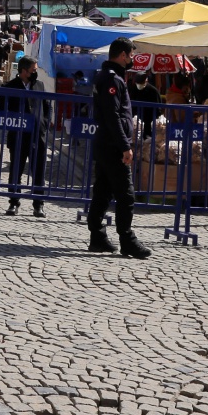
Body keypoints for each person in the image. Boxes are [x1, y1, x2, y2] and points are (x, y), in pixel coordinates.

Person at [86, 38, 151, 259]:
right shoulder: (112, 80)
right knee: (126, 195)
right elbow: (112, 116)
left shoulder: (107, 76)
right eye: (130, 55)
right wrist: (125, 146)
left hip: (105, 142)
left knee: (103, 192)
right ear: (122, 55)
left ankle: (97, 237)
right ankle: (128, 240)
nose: (132, 59)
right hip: (113, 144)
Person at [0, 56, 48, 217]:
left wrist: (44, 123)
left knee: (39, 171)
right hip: (18, 135)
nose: (35, 73)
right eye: (33, 70)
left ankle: (38, 204)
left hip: (37, 135)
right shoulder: (10, 86)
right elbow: (0, 109)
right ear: (23, 71)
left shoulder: (39, 85)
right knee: (16, 170)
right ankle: (14, 202)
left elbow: (48, 107)